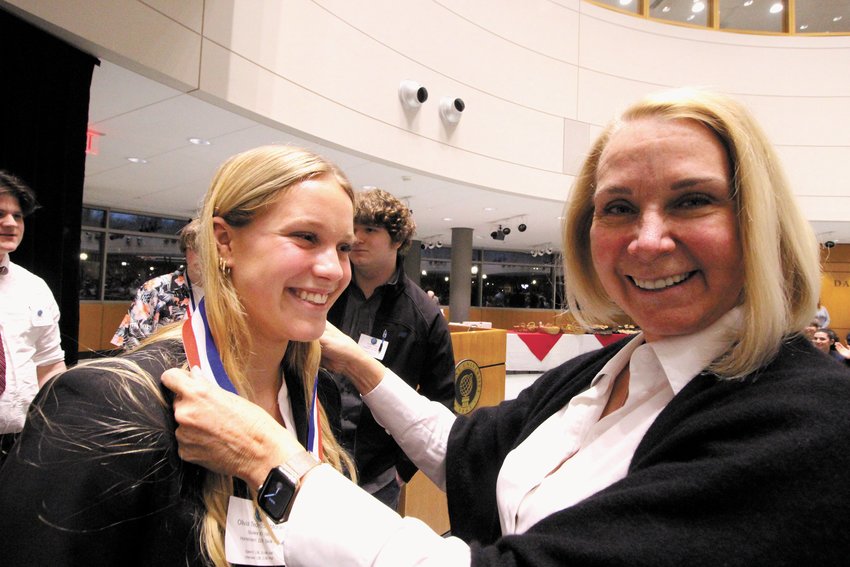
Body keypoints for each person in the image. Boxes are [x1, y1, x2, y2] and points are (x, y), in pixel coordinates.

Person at [162, 88, 850, 565]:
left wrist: (270, 459)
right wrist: (357, 362)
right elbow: (464, 446)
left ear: (758, 223)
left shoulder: (804, 422)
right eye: (616, 208)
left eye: (692, 200)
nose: (647, 241)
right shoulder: (614, 366)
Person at [0, 146, 357, 567]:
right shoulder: (108, 403)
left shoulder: (320, 395)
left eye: (344, 248)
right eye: (306, 237)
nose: (334, 270)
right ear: (224, 241)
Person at [325, 188, 455, 508]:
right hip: (316, 460)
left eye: (370, 229)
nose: (357, 237)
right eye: (354, 227)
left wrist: (403, 468)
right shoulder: (324, 292)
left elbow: (441, 398)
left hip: (378, 478)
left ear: (397, 241)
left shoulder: (423, 315)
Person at [0, 170, 66, 464]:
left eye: (18, 216)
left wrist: (59, 424)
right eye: (0, 214)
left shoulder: (34, 289)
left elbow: (50, 365)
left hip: (22, 442)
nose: (11, 224)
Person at [111, 218, 204, 350]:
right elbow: (128, 345)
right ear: (185, 251)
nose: (203, 256)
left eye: (211, 249)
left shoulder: (233, 291)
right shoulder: (155, 289)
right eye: (196, 248)